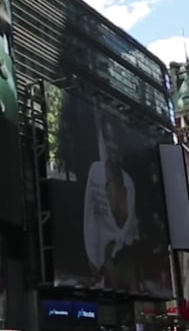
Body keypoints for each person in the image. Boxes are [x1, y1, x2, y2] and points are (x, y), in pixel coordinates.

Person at [82, 113, 139, 290]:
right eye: (108, 139)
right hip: (105, 264)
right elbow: (89, 218)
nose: (112, 146)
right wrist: (94, 260)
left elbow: (132, 228)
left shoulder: (129, 183)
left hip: (127, 262)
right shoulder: (96, 173)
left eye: (115, 140)